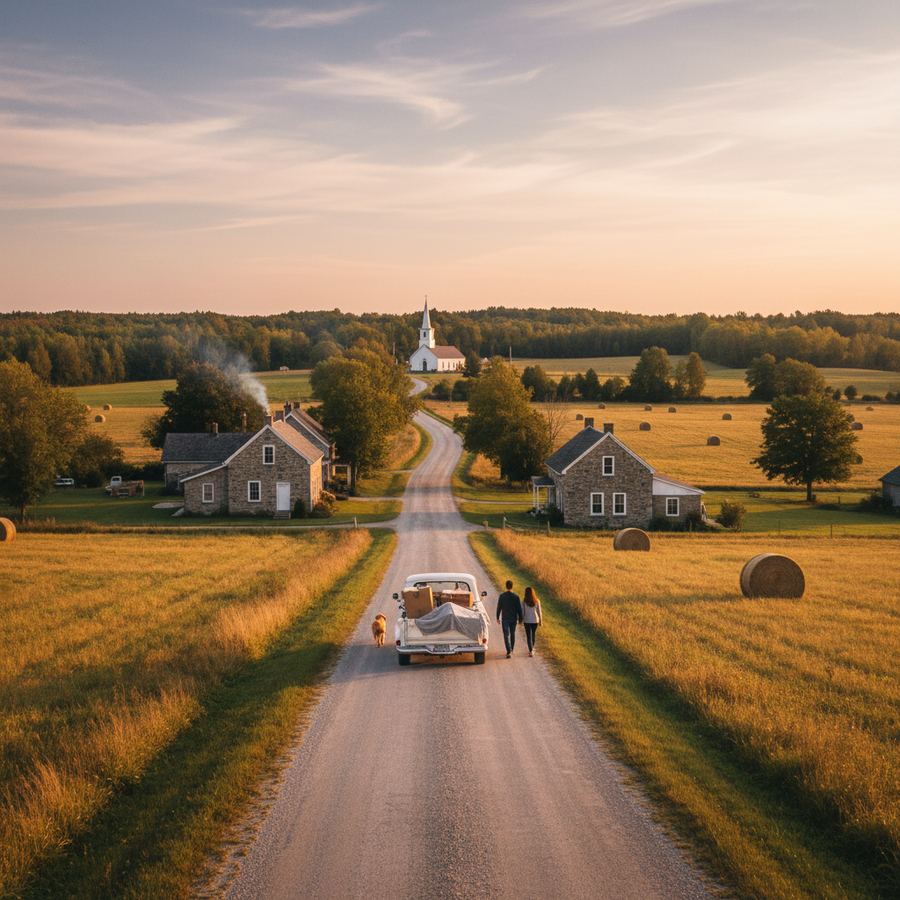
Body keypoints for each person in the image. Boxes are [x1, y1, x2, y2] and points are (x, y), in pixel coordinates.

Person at [495, 579, 523, 658]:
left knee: (506, 635)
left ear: (506, 586)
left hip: (505, 619)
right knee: (512, 633)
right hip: (513, 618)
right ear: (512, 586)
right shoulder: (516, 597)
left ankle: (508, 651)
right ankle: (511, 649)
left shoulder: (502, 596)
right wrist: (521, 619)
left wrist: (497, 617)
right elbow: (519, 609)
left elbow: (499, 607)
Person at [522, 586, 543, 657]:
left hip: (527, 620)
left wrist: (521, 620)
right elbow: (539, 612)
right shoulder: (537, 601)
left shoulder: (524, 601)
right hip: (535, 621)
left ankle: (531, 650)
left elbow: (522, 612)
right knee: (533, 635)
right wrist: (541, 621)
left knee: (528, 636)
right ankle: (532, 649)